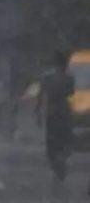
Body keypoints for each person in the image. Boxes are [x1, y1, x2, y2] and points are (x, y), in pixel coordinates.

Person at [36, 51, 75, 182]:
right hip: (63, 112)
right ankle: (60, 160)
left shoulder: (46, 77)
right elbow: (71, 93)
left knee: (52, 143)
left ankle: (57, 163)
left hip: (52, 113)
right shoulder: (69, 78)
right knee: (65, 140)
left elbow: (40, 96)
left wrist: (37, 112)